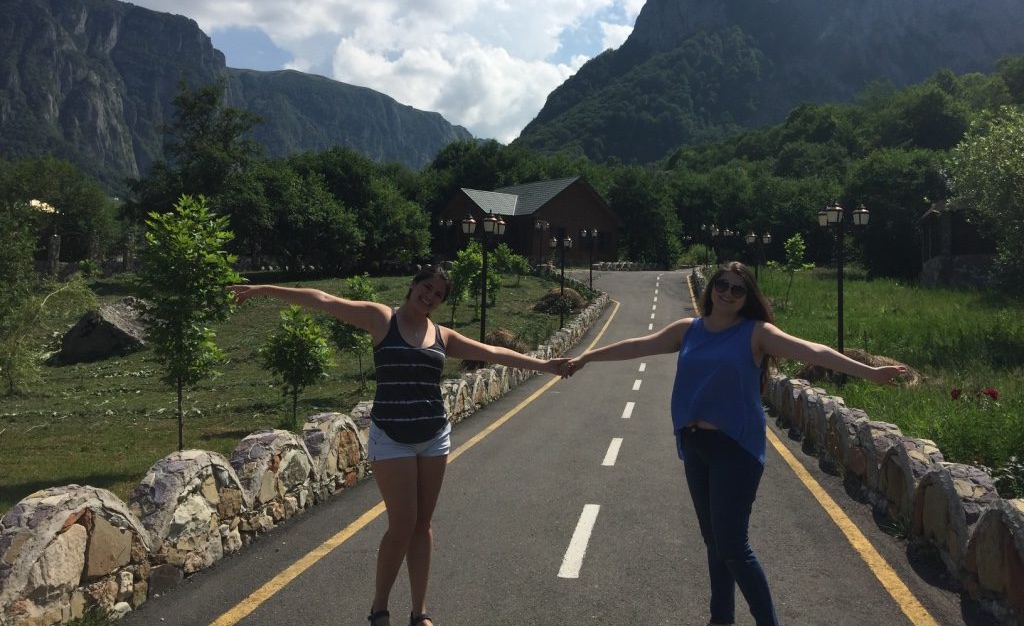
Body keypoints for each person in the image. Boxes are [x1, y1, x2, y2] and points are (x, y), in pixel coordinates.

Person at [566, 262, 906, 626]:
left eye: (737, 289)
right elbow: (637, 346)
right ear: (712, 288)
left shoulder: (756, 333)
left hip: (736, 448)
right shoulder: (689, 330)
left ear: (747, 298)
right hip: (695, 443)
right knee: (714, 540)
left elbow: (813, 351)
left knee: (732, 544)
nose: (727, 293)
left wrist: (869, 372)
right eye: (722, 285)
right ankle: (721, 618)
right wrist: (587, 357)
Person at [228, 266, 569, 626]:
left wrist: (545, 365)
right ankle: (379, 607)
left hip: (433, 436)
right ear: (413, 285)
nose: (430, 297)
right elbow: (323, 300)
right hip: (391, 436)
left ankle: (420, 612)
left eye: (438, 294)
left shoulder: (441, 335)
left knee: (422, 524)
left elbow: (492, 351)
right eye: (426, 287)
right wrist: (264, 289)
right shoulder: (382, 319)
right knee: (402, 522)